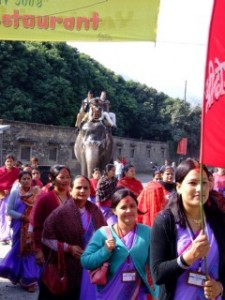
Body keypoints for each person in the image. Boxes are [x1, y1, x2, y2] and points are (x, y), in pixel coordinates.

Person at [150, 158, 225, 300]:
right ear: (178, 187)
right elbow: (158, 274)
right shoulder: (165, 222)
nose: (200, 188)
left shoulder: (219, 220)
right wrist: (189, 257)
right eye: (192, 183)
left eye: (203, 182)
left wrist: (220, 287)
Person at [81, 187, 158, 300]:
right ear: (114, 210)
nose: (129, 211)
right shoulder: (103, 234)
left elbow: (154, 267)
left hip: (138, 294)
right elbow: (85, 261)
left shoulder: (147, 232)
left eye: (132, 206)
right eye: (123, 207)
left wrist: (157, 293)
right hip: (109, 294)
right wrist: (105, 251)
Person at [41, 175, 106, 300]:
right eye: (78, 187)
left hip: (91, 267)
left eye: (85, 188)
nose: (82, 191)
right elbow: (46, 238)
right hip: (69, 267)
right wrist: (68, 248)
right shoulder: (60, 213)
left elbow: (105, 233)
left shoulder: (95, 211)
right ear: (70, 190)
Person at [0, 171, 40, 292]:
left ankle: (28, 279)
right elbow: (9, 210)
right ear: (19, 180)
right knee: (19, 250)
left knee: (29, 250)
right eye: (24, 179)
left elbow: (39, 208)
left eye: (28, 178)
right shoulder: (15, 193)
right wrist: (23, 217)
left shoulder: (36, 192)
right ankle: (20, 275)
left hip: (32, 226)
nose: (26, 181)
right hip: (19, 225)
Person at [32, 165, 72, 268]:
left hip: (70, 248)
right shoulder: (44, 199)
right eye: (61, 177)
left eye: (68, 177)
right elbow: (37, 225)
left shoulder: (72, 199)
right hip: (49, 248)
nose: (65, 180)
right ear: (51, 178)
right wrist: (38, 249)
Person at [0, 154, 20, 243]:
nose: (9, 163)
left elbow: (18, 181)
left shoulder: (16, 171)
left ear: (14, 162)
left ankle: (6, 235)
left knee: (7, 213)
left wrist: (9, 189)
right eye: (8, 161)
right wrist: (3, 189)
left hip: (11, 194)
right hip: (1, 193)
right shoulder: (1, 170)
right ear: (5, 162)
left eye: (11, 161)